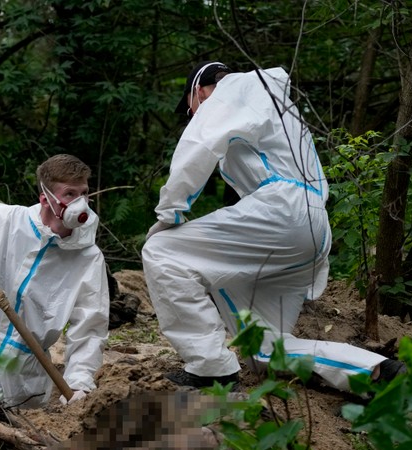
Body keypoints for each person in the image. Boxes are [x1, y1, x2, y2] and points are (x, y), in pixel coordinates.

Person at [142, 61, 397, 391]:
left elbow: (199, 147)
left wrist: (169, 215)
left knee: (162, 251)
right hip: (309, 225)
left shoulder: (231, 91)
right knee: (266, 349)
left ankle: (211, 369)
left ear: (200, 91)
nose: (191, 116)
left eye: (190, 108)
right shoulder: (274, 103)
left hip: (282, 212)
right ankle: (376, 373)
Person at [0, 154, 109, 408]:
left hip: (21, 383)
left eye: (84, 193)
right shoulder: (2, 220)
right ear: (45, 198)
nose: (80, 204)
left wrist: (79, 383)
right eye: (70, 194)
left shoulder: (89, 258)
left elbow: (90, 328)